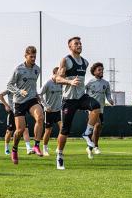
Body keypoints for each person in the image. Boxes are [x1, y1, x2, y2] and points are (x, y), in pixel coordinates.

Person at [54, 37, 101, 170]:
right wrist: (69, 82)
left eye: (80, 43)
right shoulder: (66, 60)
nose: (79, 45)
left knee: (96, 106)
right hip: (69, 100)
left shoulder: (85, 62)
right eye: (76, 44)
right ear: (70, 46)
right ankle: (60, 155)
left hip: (81, 97)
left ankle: (87, 133)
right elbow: (57, 78)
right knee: (65, 130)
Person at [7, 45, 45, 164]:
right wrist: (19, 91)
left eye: (35, 57)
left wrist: (37, 97)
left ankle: (37, 145)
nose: (33, 59)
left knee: (40, 117)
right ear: (26, 56)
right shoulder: (18, 69)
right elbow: (9, 85)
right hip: (19, 102)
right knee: (20, 130)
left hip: (32, 100)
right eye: (31, 57)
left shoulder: (37, 69)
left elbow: (32, 86)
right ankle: (14, 149)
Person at [85, 62, 114, 158]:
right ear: (94, 72)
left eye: (102, 70)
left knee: (97, 128)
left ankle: (89, 147)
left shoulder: (106, 83)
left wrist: (110, 100)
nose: (101, 71)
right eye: (99, 70)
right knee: (97, 125)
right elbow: (83, 92)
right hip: (91, 109)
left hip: (101, 109)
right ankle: (95, 146)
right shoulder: (89, 82)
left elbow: (108, 94)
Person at [0, 89, 34, 155]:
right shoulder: (10, 88)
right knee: (9, 132)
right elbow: (0, 95)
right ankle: (6, 148)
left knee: (25, 130)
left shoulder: (22, 88)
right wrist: (6, 105)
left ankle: (28, 148)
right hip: (12, 112)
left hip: (20, 112)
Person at [39, 67, 63, 157]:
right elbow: (39, 94)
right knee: (48, 131)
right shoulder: (48, 83)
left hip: (58, 110)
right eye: (59, 73)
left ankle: (59, 148)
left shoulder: (61, 83)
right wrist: (45, 106)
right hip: (49, 111)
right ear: (54, 73)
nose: (60, 75)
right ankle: (45, 149)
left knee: (63, 128)